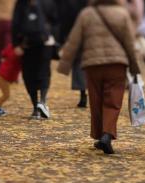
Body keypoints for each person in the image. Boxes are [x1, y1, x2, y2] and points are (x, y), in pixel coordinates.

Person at [58, 0, 140, 155]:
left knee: (96, 100)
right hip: (117, 64)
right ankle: (106, 135)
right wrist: (135, 66)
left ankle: (101, 135)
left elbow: (74, 40)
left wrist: (65, 64)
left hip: (92, 64)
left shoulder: (87, 13)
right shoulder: (122, 13)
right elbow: (130, 42)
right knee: (113, 101)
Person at [12, 0, 58, 119]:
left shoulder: (21, 3)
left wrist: (16, 44)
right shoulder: (48, 2)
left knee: (29, 74)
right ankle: (42, 102)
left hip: (26, 44)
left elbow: (15, 23)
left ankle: (34, 108)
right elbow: (56, 21)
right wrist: (52, 35)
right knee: (44, 72)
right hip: (45, 42)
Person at [56, 0, 89, 108]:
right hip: (89, 30)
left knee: (79, 63)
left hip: (73, 30)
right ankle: (86, 92)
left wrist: (62, 38)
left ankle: (83, 92)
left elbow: (63, 17)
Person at [0, 43, 22, 116]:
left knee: (5, 94)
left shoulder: (11, 46)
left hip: (1, 74)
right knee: (6, 95)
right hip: (3, 77)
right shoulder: (18, 54)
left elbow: (3, 53)